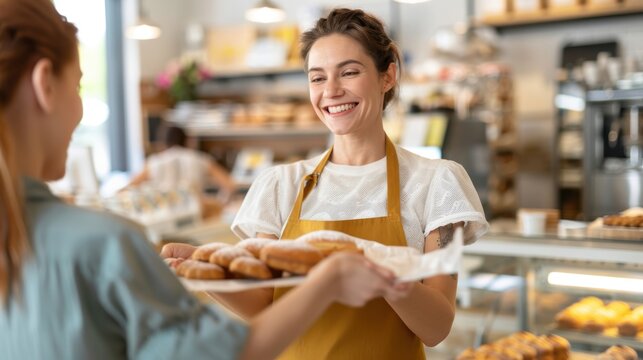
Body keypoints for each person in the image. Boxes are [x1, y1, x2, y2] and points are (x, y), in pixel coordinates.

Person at [0, 1, 409, 359]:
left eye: (349, 72)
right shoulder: (103, 244)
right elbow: (231, 352)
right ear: (45, 85)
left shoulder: (35, 237)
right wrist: (330, 279)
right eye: (77, 86)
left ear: (386, 76)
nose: (80, 110)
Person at [227, 8, 489, 359]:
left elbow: (436, 328)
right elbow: (265, 307)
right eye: (317, 78)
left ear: (387, 76)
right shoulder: (280, 185)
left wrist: (376, 270)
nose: (331, 91)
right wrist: (193, 277)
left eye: (349, 72)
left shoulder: (437, 183)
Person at [127, 125, 237, 214]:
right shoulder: (201, 158)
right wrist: (220, 204)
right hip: (196, 214)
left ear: (163, 142)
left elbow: (130, 187)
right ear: (187, 141)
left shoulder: (154, 162)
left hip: (163, 215)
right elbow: (230, 185)